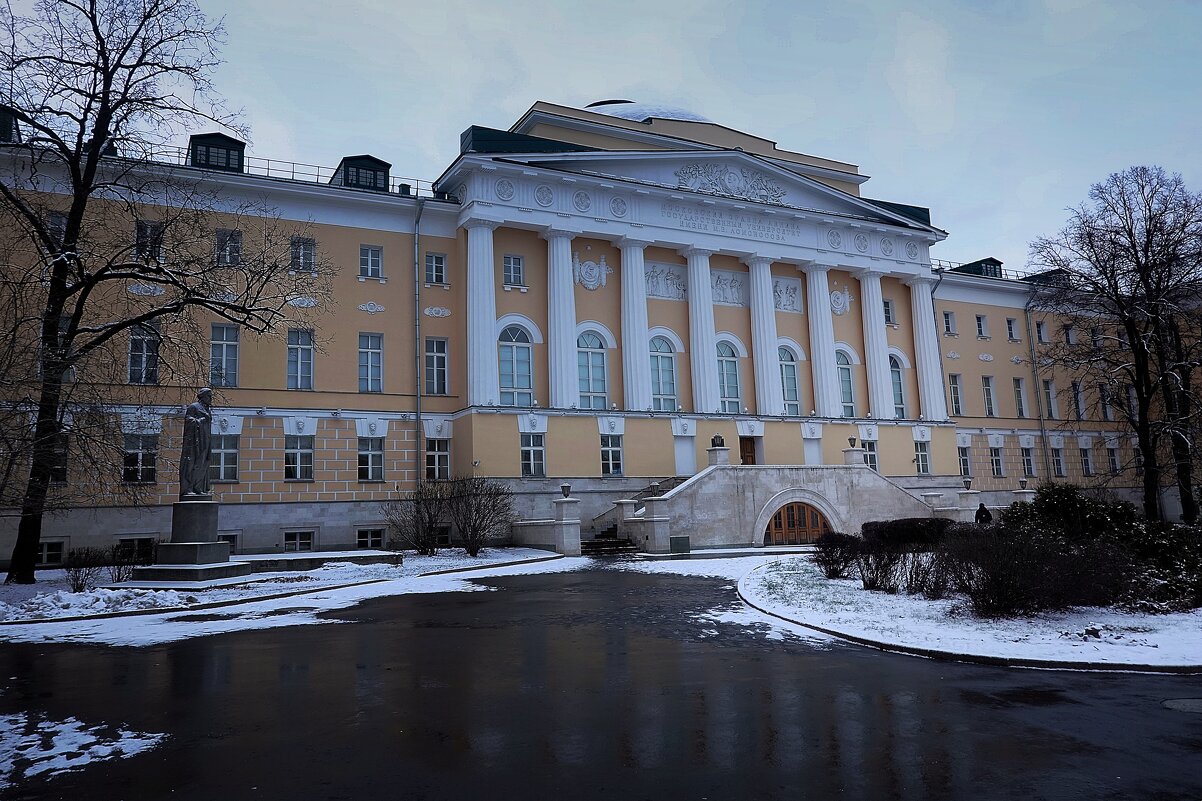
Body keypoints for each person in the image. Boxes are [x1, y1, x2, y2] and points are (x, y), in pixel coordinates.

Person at [179, 388, 213, 497]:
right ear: (203, 397)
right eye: (209, 396)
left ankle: (198, 487)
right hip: (195, 442)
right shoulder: (194, 407)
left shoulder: (208, 409)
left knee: (202, 464)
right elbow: (188, 421)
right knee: (191, 464)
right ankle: (188, 488)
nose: (211, 398)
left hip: (205, 441)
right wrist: (200, 421)